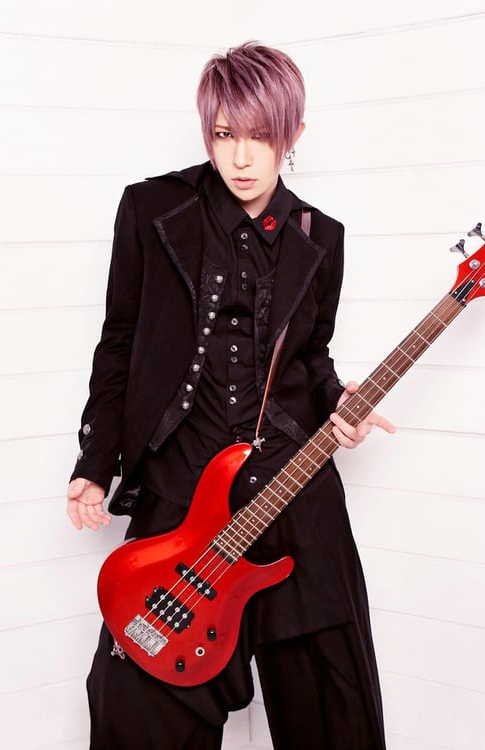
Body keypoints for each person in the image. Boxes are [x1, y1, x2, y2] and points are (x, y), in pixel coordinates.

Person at [67, 41, 395, 750]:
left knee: (335, 706)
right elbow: (119, 342)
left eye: (262, 137)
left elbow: (310, 356)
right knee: (136, 705)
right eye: (224, 135)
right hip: (182, 489)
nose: (241, 158)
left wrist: (340, 402)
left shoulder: (322, 238)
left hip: (294, 490)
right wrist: (95, 463)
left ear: (294, 134)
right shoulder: (153, 210)